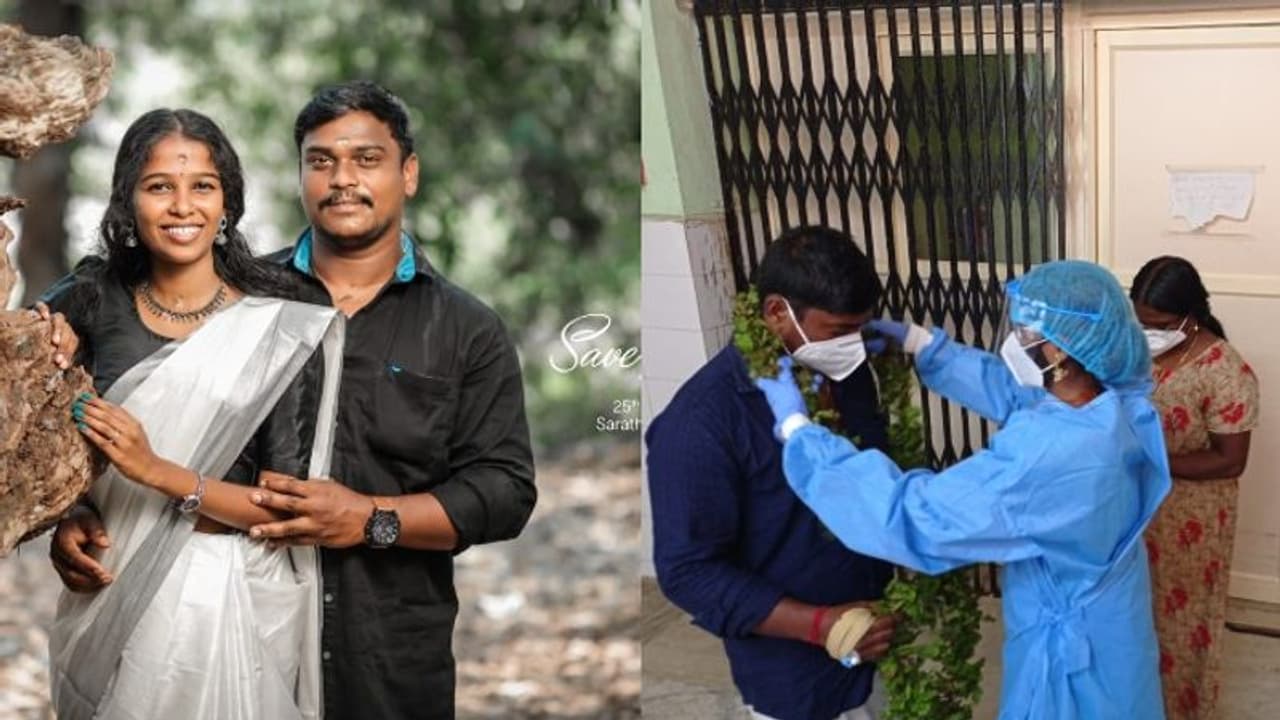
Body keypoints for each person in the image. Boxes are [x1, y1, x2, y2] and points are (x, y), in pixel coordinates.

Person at [50, 81, 538, 720]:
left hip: (385, 649)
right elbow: (81, 402)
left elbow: (504, 492)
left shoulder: (466, 328)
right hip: (201, 611)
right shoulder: (254, 302)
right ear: (299, 175)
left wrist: (372, 517)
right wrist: (74, 508)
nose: (342, 180)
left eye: (367, 159)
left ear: (408, 173)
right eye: (320, 161)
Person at [755, 260, 1172, 720]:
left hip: (1076, 653)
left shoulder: (1052, 456)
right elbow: (1018, 395)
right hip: (1113, 624)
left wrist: (803, 437)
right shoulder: (1105, 401)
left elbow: (917, 518)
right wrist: (924, 345)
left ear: (1059, 350)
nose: (1014, 339)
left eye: (1025, 332)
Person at [40, 108, 344, 720]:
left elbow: (287, 506)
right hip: (113, 586)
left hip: (229, 596)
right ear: (129, 202)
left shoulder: (280, 315)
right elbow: (38, 437)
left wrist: (159, 472)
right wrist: (67, 515)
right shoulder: (88, 300)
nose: (183, 206)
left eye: (202, 186)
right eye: (160, 187)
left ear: (227, 201)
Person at [647, 226, 898, 720]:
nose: (852, 345)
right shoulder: (700, 424)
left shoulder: (844, 375)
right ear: (777, 313)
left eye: (860, 329)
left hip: (875, 644)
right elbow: (687, 571)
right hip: (792, 675)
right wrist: (819, 625)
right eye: (838, 332)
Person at [1130, 256, 1259, 719]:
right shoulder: (1141, 352)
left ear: (1190, 314)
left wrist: (1152, 461)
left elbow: (1230, 461)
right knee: (1138, 615)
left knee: (1181, 626)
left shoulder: (1226, 372)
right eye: (1140, 322)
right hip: (1141, 510)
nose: (1148, 333)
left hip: (1192, 522)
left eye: (1159, 324)